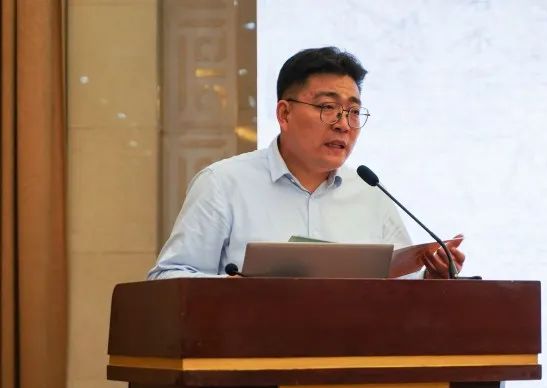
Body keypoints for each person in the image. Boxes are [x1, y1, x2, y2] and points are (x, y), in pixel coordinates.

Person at [147, 47, 465, 280]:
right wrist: (235, 292)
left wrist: (432, 277)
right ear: (284, 114)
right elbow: (168, 275)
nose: (344, 124)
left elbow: (403, 286)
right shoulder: (223, 183)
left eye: (354, 112)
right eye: (328, 107)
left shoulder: (371, 194)